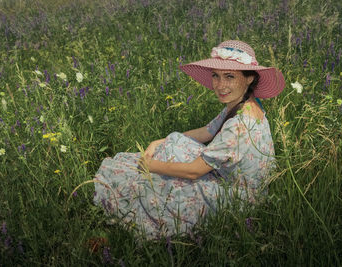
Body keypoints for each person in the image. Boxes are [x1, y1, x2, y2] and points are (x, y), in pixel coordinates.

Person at [93, 40, 285, 239]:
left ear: (249, 78)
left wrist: (152, 166)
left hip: (238, 198)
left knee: (159, 191)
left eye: (229, 76)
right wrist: (160, 141)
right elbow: (208, 131)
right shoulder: (246, 103)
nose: (220, 85)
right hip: (241, 183)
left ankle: (145, 176)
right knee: (175, 141)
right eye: (216, 76)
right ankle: (154, 161)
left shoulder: (239, 125)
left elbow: (194, 171)